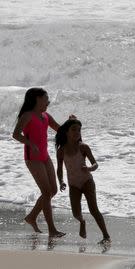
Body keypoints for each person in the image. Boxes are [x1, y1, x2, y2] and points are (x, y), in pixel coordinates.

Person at [12, 87, 66, 238]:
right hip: (33, 158)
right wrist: (30, 143)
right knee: (46, 192)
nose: (48, 101)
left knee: (53, 191)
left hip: (45, 156)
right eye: (45, 98)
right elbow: (16, 134)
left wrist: (70, 123)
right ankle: (52, 230)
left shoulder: (45, 115)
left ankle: (31, 217)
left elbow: (59, 129)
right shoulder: (27, 116)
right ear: (37, 99)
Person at [55, 119, 111, 244]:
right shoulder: (61, 150)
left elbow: (95, 163)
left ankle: (106, 236)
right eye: (74, 129)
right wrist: (61, 181)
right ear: (67, 132)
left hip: (87, 181)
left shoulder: (83, 147)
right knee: (75, 213)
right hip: (73, 184)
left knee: (93, 210)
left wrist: (90, 168)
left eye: (79, 130)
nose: (77, 132)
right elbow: (59, 168)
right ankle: (82, 222)